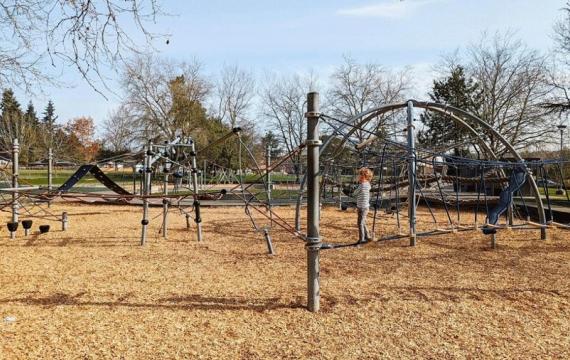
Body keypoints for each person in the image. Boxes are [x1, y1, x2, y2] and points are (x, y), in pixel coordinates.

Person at [353, 167, 373, 243]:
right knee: (363, 222)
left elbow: (355, 193)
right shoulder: (367, 184)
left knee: (360, 223)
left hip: (362, 207)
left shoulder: (362, 185)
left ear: (363, 176)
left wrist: (353, 191)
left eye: (359, 175)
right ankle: (368, 236)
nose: (358, 177)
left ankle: (362, 239)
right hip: (365, 207)